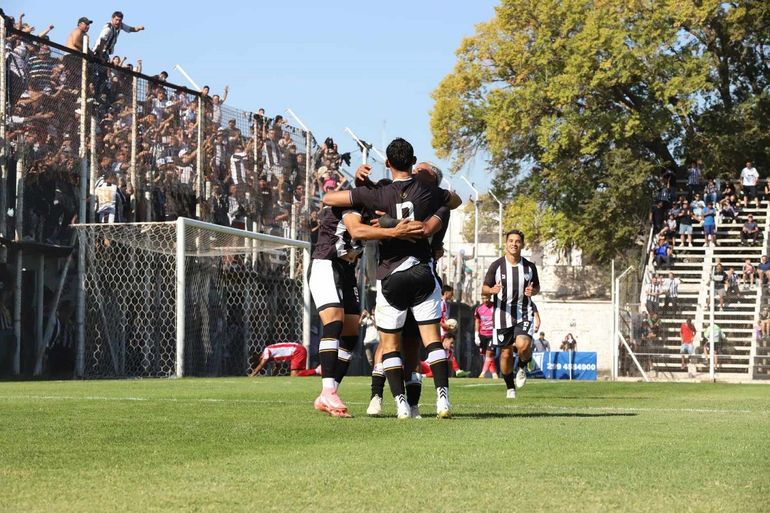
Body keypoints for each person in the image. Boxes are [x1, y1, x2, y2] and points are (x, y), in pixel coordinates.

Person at [324, 138, 462, 418]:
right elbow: (454, 202)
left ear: (387, 163)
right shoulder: (432, 191)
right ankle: (442, 401)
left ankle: (399, 404)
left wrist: (364, 187)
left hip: (391, 275)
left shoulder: (379, 193)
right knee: (432, 341)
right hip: (423, 272)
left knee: (389, 345)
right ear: (413, 162)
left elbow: (329, 199)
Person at [308, 198, 423, 417]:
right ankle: (328, 390)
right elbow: (357, 230)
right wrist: (392, 232)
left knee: (350, 335)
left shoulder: (371, 215)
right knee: (334, 322)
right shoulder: (352, 205)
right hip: (326, 263)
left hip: (347, 271)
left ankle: (329, 393)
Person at [482, 230, 539, 400]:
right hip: (502, 314)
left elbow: (536, 287)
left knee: (524, 345)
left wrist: (532, 291)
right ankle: (509, 387)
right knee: (505, 354)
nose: (514, 244)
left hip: (524, 312)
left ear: (522, 244)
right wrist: (491, 290)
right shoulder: (497, 266)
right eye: (511, 241)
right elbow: (484, 287)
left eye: (518, 241)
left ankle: (521, 367)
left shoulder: (529, 266)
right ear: (506, 244)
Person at [248, 342, 315, 377]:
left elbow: (261, 365)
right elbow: (278, 367)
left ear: (259, 356)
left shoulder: (267, 350)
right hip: (298, 350)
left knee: (295, 375)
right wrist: (273, 377)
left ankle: (318, 370)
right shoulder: (272, 356)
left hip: (297, 350)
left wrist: (253, 374)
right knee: (298, 374)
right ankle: (317, 371)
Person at [474, 293, 497, 378]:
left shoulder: (495, 307)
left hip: (492, 334)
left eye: (486, 298)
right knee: (487, 355)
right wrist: (476, 335)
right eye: (483, 298)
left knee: (489, 353)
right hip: (482, 335)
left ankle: (482, 373)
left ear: (490, 297)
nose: (485, 300)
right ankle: (494, 374)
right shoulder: (479, 308)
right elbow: (477, 321)